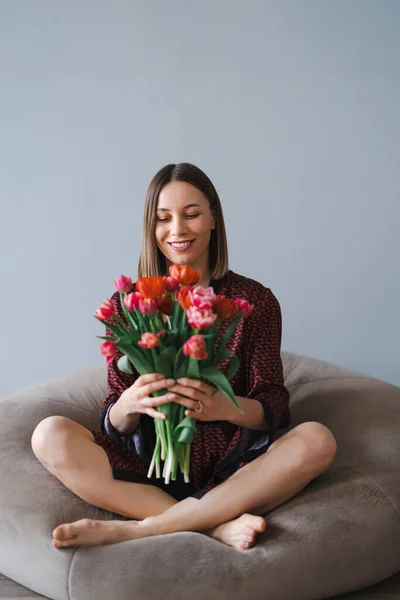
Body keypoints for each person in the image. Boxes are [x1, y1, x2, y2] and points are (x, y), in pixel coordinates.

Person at [31, 163, 337, 552]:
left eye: (191, 214)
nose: (177, 229)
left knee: (318, 440)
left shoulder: (253, 301)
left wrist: (220, 407)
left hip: (235, 470)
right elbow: (114, 422)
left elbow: (274, 406)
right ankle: (212, 526)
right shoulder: (128, 306)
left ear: (213, 218)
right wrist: (129, 403)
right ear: (150, 226)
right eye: (163, 218)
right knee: (48, 434)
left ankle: (138, 530)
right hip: (148, 467)